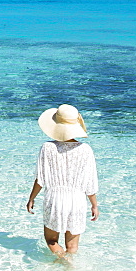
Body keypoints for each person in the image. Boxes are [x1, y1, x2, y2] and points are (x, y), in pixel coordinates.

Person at [25, 104, 99, 258]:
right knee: (72, 246)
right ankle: (70, 270)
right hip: (77, 200)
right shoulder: (86, 150)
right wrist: (94, 205)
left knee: (51, 241)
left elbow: (41, 179)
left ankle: (64, 263)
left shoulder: (47, 148)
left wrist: (32, 198)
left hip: (55, 199)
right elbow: (90, 182)